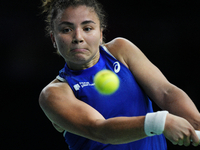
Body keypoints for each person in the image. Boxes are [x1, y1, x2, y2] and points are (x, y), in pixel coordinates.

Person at [39, 0, 200, 149]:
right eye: (66, 30)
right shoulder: (54, 94)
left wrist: (197, 124)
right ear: (54, 38)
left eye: (87, 28)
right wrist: (160, 122)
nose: (78, 38)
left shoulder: (120, 51)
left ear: (101, 34)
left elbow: (166, 93)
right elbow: (100, 129)